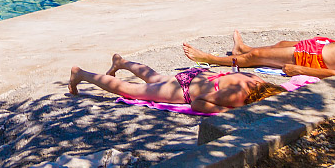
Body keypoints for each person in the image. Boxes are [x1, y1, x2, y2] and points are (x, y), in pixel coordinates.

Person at [67, 53, 284, 113]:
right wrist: (226, 113)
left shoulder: (258, 80)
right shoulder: (239, 98)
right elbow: (198, 104)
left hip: (196, 76)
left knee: (154, 78)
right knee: (130, 90)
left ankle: (121, 62)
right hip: (186, 90)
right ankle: (82, 74)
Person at [182, 31, 335, 77]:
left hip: (315, 57)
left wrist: (301, 70)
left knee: (259, 56)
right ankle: (242, 49)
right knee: (281, 44)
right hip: (324, 44)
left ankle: (210, 59)